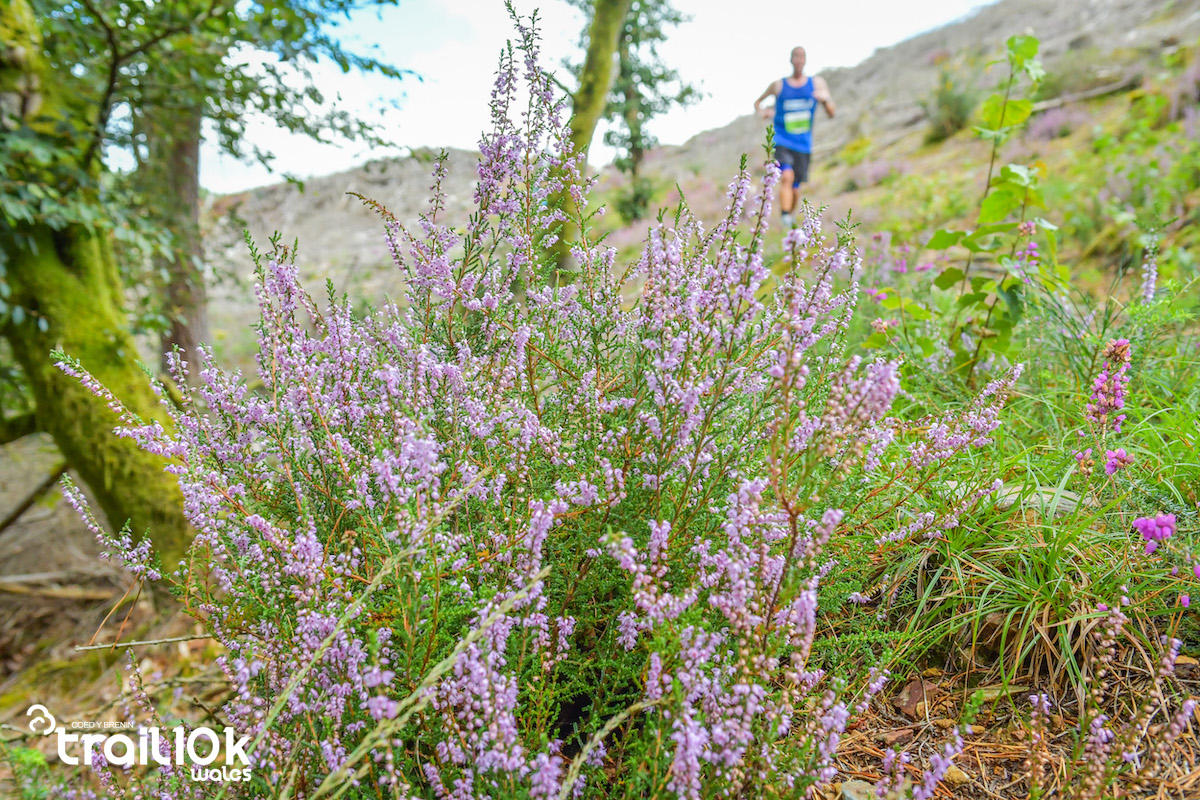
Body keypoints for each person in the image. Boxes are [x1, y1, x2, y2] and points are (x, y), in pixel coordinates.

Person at [754, 46, 836, 228]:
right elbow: (757, 102)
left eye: (802, 56)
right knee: (786, 176)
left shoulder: (817, 83)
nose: (798, 60)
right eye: (795, 56)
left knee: (796, 188)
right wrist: (764, 112)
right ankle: (784, 217)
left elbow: (832, 112)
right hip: (782, 139)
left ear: (805, 60)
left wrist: (825, 100)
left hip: (803, 144)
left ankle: (789, 217)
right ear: (791, 60)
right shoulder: (779, 85)